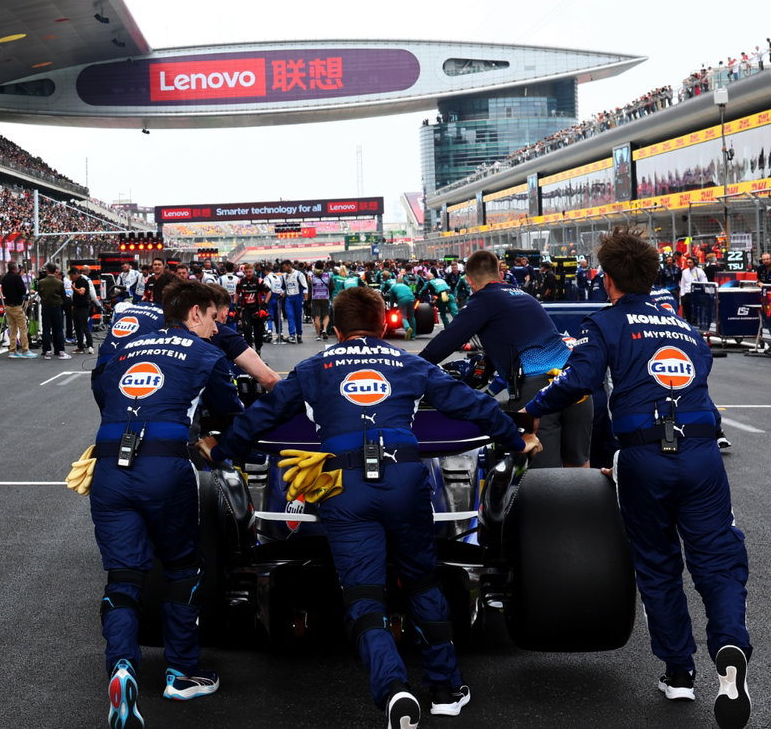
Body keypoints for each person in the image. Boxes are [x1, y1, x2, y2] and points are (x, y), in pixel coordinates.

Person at [202, 286, 538, 728]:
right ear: (384, 326)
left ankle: (394, 688)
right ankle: (445, 690)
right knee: (421, 584)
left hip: (344, 486)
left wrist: (222, 451)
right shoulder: (411, 363)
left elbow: (262, 416)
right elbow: (473, 404)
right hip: (403, 480)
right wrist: (518, 440)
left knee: (363, 597)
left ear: (336, 330)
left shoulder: (314, 367)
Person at [518, 229, 751, 729]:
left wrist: (530, 411)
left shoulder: (604, 323)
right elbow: (699, 380)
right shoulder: (684, 328)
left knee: (658, 564)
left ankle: (680, 673)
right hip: (702, 454)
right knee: (719, 558)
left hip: (645, 457)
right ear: (653, 276)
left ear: (607, 279)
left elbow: (579, 383)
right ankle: (730, 643)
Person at [89, 280, 241, 726]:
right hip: (165, 468)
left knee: (122, 577)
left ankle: (121, 666)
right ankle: (180, 673)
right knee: (181, 568)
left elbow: (103, 397)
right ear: (195, 314)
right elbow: (231, 412)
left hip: (110, 469)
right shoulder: (206, 354)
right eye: (214, 318)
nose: (217, 329)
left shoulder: (122, 348)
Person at [418, 250, 591, 469]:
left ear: (470, 281)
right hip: (574, 383)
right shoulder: (522, 296)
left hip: (538, 389)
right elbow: (501, 346)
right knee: (579, 466)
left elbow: (442, 345)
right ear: (499, 274)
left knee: (545, 477)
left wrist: (409, 368)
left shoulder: (484, 300)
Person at [0, 262, 34, 358]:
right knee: (23, 328)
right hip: (17, 306)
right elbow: (23, 290)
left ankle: (13, 350)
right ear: (15, 269)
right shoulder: (17, 278)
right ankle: (25, 350)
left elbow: (4, 291)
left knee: (12, 328)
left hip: (8, 305)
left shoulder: (4, 278)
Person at [36, 262, 69, 360]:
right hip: (56, 307)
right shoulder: (59, 282)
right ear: (55, 271)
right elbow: (63, 295)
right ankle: (60, 350)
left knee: (46, 329)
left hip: (46, 306)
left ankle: (47, 351)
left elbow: (40, 293)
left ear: (47, 270)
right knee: (58, 329)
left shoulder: (41, 282)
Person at [233, 262, 268, 352]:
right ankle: (249, 349)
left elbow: (269, 292)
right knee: (246, 330)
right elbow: (237, 293)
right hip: (246, 310)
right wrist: (235, 304)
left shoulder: (259, 281)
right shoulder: (240, 282)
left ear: (253, 271)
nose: (248, 273)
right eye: (246, 272)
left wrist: (265, 304)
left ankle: (258, 349)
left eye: (250, 271)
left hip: (257, 309)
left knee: (258, 332)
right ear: (244, 272)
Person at [70, 264, 100, 353]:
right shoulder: (76, 281)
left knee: (84, 326)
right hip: (76, 306)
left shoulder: (83, 281)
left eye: (71, 276)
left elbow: (81, 292)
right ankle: (80, 346)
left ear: (76, 274)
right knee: (77, 327)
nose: (71, 278)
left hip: (83, 307)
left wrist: (74, 288)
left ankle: (90, 345)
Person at [282, 261, 308, 344]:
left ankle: (299, 334)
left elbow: (305, 287)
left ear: (289, 265)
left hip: (298, 298)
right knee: (290, 316)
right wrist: (282, 292)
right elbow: (282, 287)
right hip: (289, 298)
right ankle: (292, 335)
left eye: (284, 267)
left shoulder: (299, 274)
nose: (283, 269)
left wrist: (306, 300)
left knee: (298, 317)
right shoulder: (284, 276)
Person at [307, 264, 334, 339]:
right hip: (325, 298)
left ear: (315, 267)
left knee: (317, 317)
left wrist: (308, 301)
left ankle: (318, 335)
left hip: (315, 298)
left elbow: (310, 290)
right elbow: (332, 287)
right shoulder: (328, 276)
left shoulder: (312, 277)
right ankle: (324, 329)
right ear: (323, 267)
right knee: (326, 315)